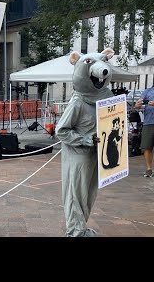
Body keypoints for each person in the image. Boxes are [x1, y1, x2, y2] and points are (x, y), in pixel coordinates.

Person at [55, 49, 114, 237]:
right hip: (78, 155)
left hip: (96, 154)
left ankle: (80, 227)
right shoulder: (78, 102)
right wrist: (85, 140)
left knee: (89, 193)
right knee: (75, 195)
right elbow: (61, 131)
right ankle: (74, 231)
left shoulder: (106, 98)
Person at [135, 87, 154, 177]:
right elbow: (137, 106)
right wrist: (138, 105)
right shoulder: (147, 91)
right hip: (148, 122)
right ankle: (148, 169)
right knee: (147, 146)